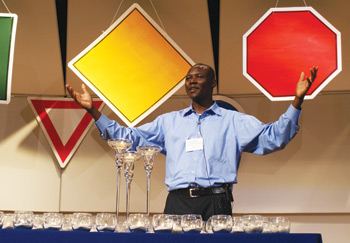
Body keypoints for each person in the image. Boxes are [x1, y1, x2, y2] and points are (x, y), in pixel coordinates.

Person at [66, 63, 318, 221]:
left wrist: (297, 101)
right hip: (177, 201)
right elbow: (129, 139)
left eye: (198, 77)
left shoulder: (233, 120)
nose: (192, 81)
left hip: (216, 200)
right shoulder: (168, 122)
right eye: (188, 78)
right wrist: (93, 112)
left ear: (213, 83)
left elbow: (273, 138)